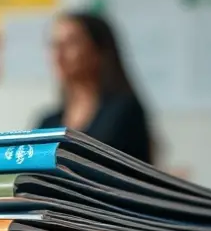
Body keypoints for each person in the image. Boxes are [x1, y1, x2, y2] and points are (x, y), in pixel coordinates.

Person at [37, 11, 153, 165]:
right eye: (54, 44)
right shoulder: (47, 123)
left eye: (71, 43)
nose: (59, 54)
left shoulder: (123, 112)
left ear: (98, 52)